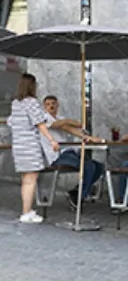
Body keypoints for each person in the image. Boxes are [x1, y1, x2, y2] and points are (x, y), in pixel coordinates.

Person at [7, 73, 60, 223]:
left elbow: (11, 122)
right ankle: (26, 213)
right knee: (31, 179)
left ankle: (27, 210)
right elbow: (40, 124)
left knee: (26, 179)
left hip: (18, 145)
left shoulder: (15, 103)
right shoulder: (32, 102)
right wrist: (52, 140)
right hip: (30, 146)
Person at [42, 95, 105, 209]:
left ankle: (76, 191)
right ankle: (80, 198)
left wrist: (74, 124)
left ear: (58, 105)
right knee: (88, 166)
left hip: (70, 152)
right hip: (58, 156)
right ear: (44, 107)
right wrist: (89, 137)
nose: (51, 106)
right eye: (48, 104)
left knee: (99, 167)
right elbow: (66, 127)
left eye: (53, 103)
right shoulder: (44, 118)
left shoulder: (60, 118)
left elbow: (78, 124)